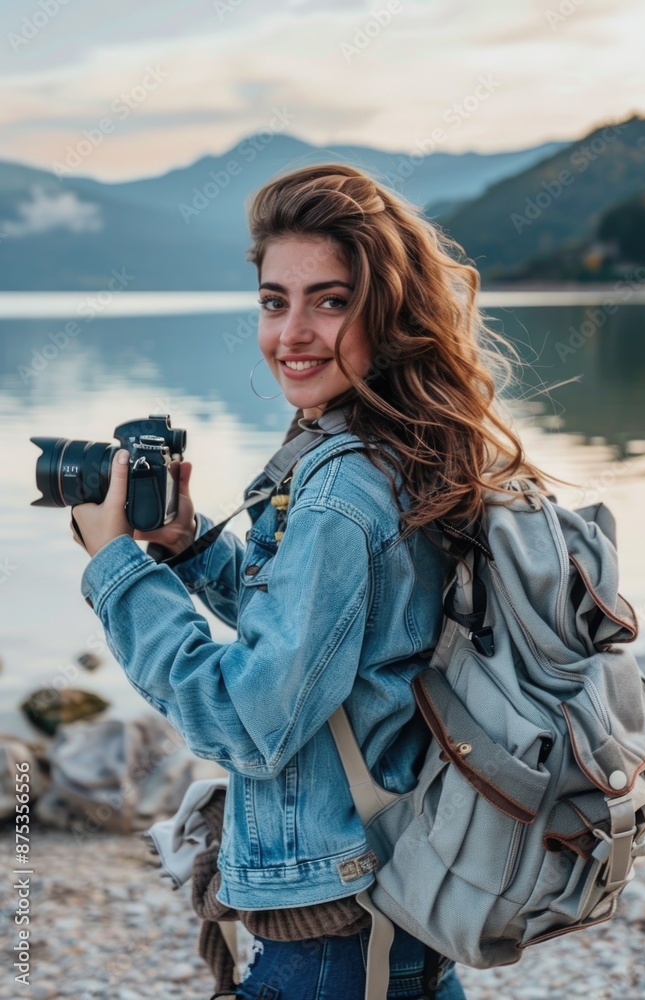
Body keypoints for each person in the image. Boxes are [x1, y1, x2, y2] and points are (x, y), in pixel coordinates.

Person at [69, 163, 552, 999]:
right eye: (273, 301)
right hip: (401, 901)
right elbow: (337, 636)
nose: (291, 333)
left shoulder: (338, 489)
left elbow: (250, 722)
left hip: (334, 937)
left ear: (386, 314)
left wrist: (116, 569)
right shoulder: (404, 451)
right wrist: (188, 550)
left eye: (329, 301)